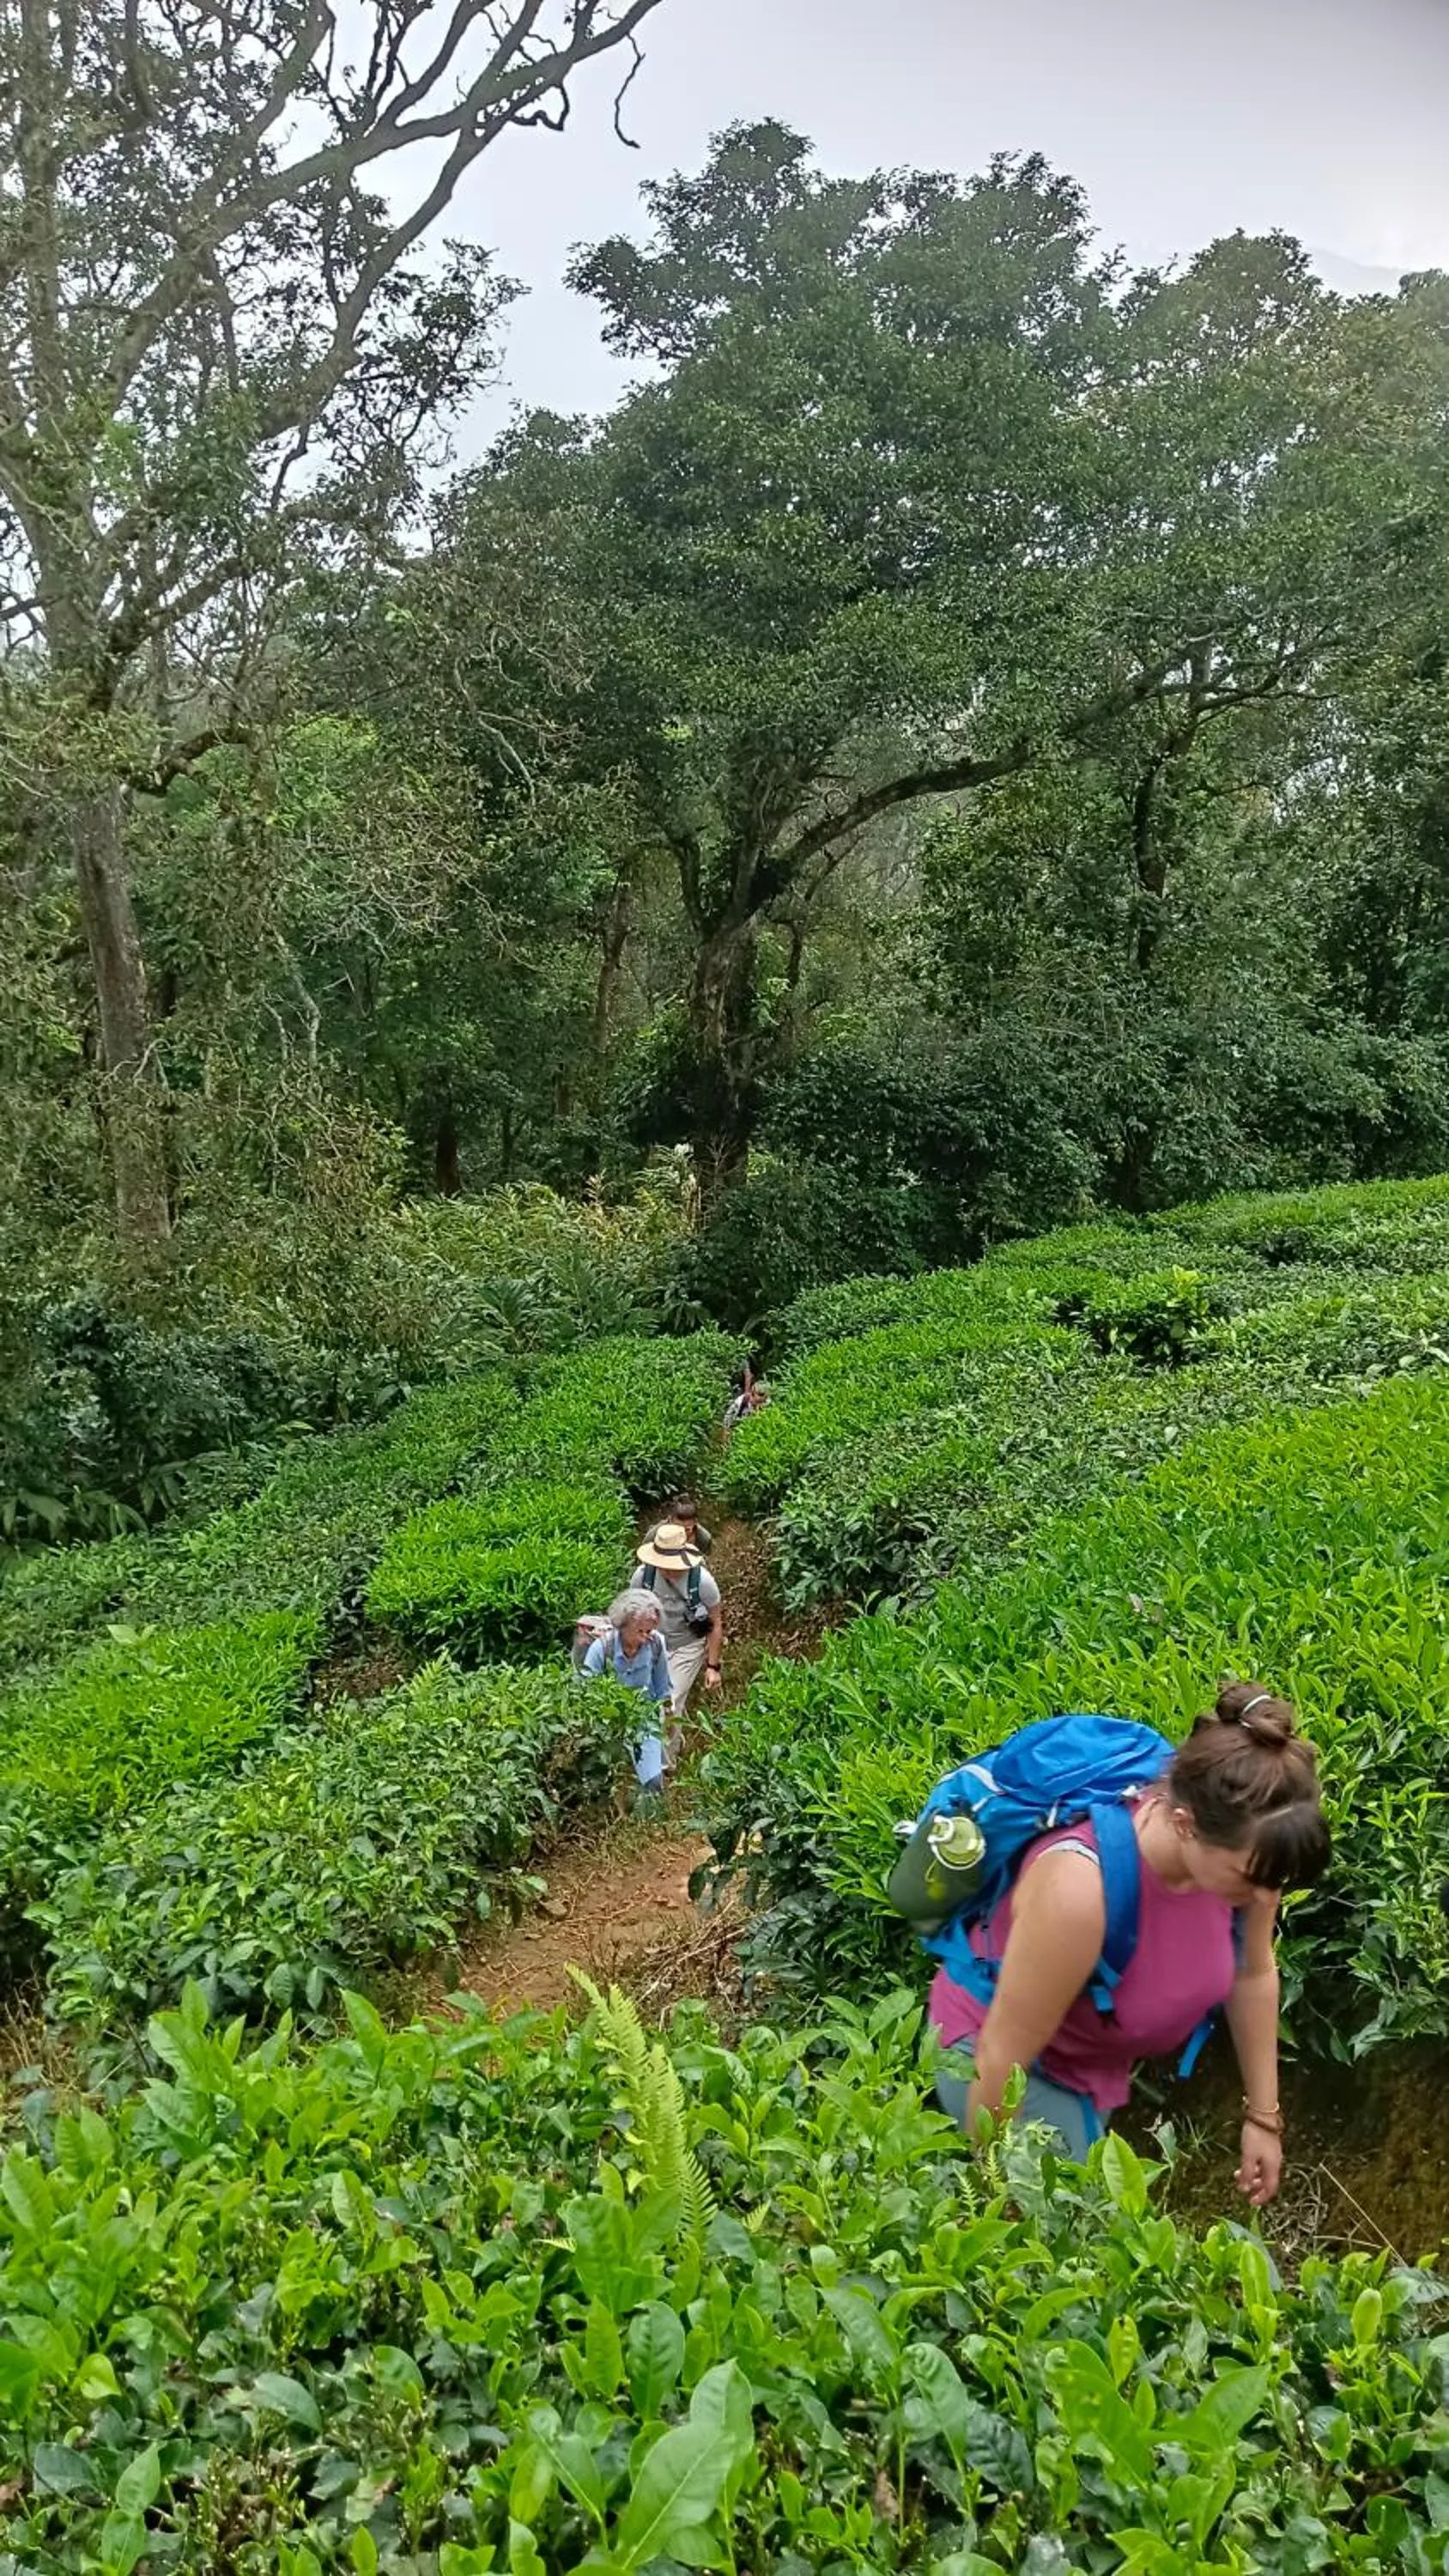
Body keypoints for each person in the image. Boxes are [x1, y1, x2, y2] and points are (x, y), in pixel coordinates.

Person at [929, 1682, 1330, 2207]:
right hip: (1002, 2061)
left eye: (1275, 1882)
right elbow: (1002, 2054)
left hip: (1094, 2065)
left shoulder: (1250, 1859)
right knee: (1073, 2239)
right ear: (1184, 1825)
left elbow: (1251, 1972)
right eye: (1252, 1879)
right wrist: (993, 2188)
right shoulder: (1079, 1892)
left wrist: (1264, 2117)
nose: (1265, 1897)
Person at [577, 1587, 674, 1793]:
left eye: (650, 1630)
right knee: (610, 1783)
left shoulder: (657, 1644)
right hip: (608, 1723)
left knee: (653, 1782)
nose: (646, 1637)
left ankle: (651, 1821)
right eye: (640, 1631)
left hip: (644, 1719)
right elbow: (584, 1691)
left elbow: (662, 1685)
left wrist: (669, 1716)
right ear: (623, 1625)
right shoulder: (602, 1648)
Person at [634, 1519, 724, 1728]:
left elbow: (715, 1623)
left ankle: (664, 1761)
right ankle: (664, 1751)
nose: (669, 1572)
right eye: (664, 1566)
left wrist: (713, 1666)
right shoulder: (642, 1576)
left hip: (687, 1646)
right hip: (653, 1644)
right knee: (647, 1705)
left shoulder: (703, 1581)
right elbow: (633, 1614)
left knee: (668, 1705)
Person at [640, 1494, 714, 1557]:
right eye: (677, 1528)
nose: (682, 1533)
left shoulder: (704, 1539)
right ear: (670, 1521)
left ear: (695, 1523)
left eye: (687, 1530)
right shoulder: (655, 1534)